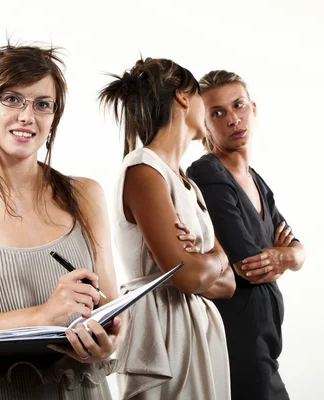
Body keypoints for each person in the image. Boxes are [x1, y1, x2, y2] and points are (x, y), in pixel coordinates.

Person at [0, 43, 121, 399]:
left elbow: (111, 309)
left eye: (42, 104)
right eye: (12, 99)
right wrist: (43, 315)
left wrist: (105, 344)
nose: (27, 116)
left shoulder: (86, 195)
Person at [99, 57, 236, 399]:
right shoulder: (144, 169)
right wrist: (213, 258)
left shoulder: (187, 184)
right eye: (202, 97)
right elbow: (189, 277)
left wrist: (206, 263)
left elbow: (228, 284)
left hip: (196, 327)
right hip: (160, 329)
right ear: (182, 96)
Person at [187, 70, 306, 400]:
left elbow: (294, 247)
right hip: (238, 336)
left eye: (238, 106)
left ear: (253, 108)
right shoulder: (207, 172)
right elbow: (248, 262)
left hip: (266, 340)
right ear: (204, 123)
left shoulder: (257, 181)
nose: (232, 119)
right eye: (217, 113)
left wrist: (290, 255)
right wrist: (282, 256)